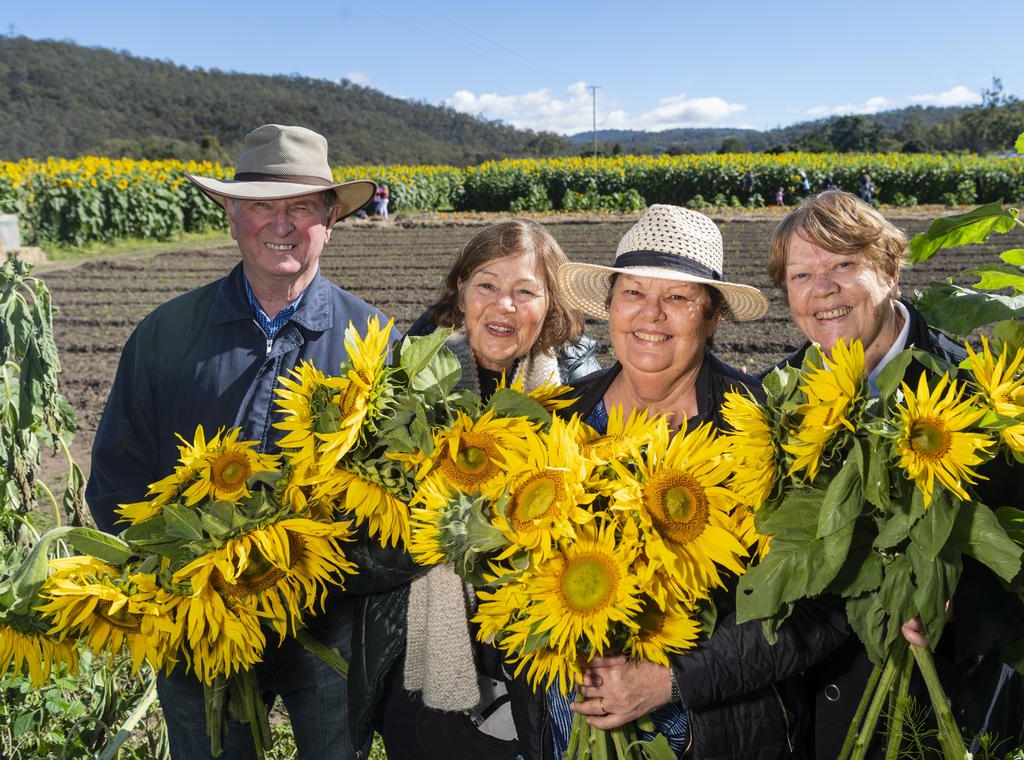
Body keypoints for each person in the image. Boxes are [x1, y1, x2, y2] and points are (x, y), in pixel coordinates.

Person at [86, 124, 398, 760]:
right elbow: (118, 475)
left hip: (329, 625)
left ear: (330, 219)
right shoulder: (166, 333)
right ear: (230, 212)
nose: (280, 224)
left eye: (301, 207)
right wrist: (176, 580)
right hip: (195, 627)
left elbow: (401, 494)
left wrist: (323, 579)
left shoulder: (376, 340)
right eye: (261, 204)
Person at [504, 204, 849, 760]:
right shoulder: (559, 415)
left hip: (715, 736)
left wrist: (670, 679)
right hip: (564, 731)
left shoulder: (765, 430)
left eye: (679, 298)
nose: (651, 315)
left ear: (712, 317)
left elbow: (821, 608)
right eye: (634, 293)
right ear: (610, 306)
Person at [767, 189, 1024, 757]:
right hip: (817, 712)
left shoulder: (974, 389)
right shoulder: (779, 398)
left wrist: (956, 604)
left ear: (889, 270)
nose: (822, 289)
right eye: (802, 275)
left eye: (842, 265)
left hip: (942, 708)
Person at [349, 220, 597, 759]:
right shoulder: (399, 385)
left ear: (550, 304)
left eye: (526, 291)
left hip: (539, 657)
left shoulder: (584, 390)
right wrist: (442, 538)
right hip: (420, 655)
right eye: (487, 284)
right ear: (459, 290)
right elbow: (357, 543)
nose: (503, 305)